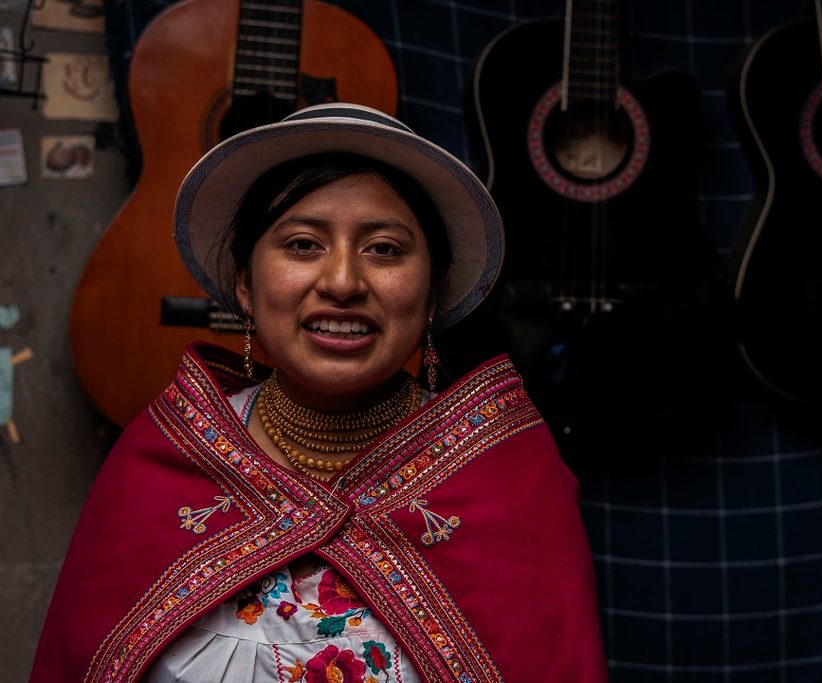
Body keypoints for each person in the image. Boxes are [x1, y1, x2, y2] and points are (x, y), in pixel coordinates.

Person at [29, 103, 608, 682]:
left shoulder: (506, 478)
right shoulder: (163, 460)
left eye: (384, 249)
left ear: (432, 296)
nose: (341, 283)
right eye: (304, 244)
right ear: (244, 285)